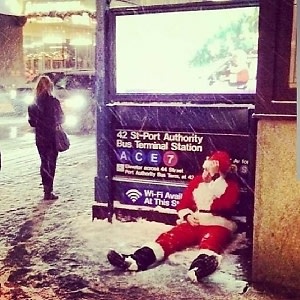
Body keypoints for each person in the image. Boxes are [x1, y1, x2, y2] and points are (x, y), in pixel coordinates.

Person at [107, 150, 240, 282]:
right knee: (171, 237)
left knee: (211, 241)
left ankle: (201, 265)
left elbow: (226, 204)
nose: (205, 174)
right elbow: (183, 204)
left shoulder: (230, 186)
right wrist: (187, 215)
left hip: (218, 224)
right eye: (205, 169)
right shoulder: (197, 182)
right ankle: (137, 259)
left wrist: (215, 180)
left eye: (210, 171)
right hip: (196, 220)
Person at [28, 75, 64, 200]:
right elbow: (61, 118)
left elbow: (32, 122)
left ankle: (46, 189)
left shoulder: (33, 103)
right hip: (52, 136)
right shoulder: (54, 102)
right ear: (50, 87)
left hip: (40, 137)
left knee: (44, 162)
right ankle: (49, 190)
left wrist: (39, 122)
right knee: (52, 162)